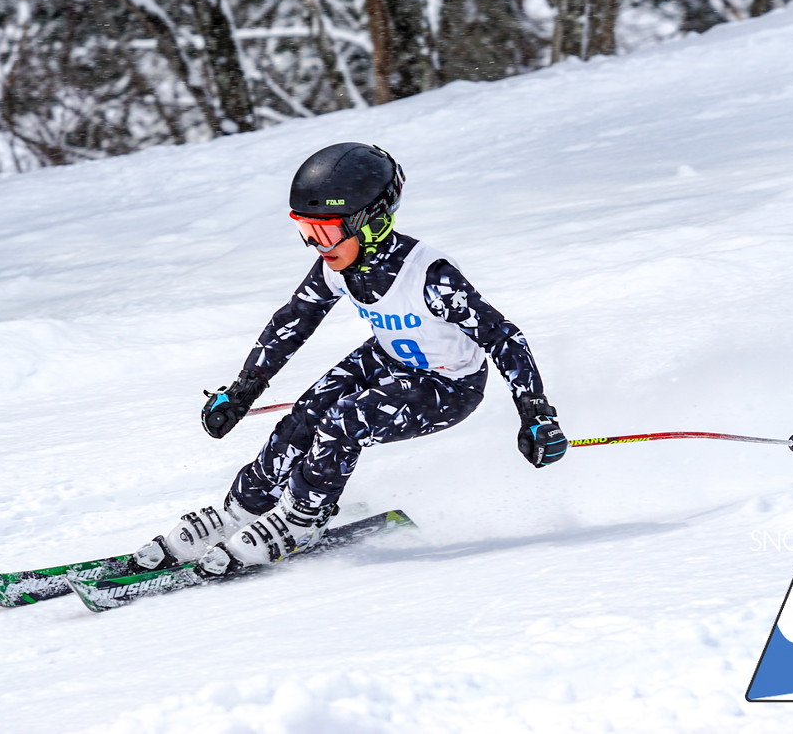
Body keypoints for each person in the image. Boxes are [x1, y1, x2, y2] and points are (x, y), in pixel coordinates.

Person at [127, 142, 568, 578]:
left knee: (345, 419)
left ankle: (304, 516)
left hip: (447, 386)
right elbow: (293, 321)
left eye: (325, 232)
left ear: (370, 223)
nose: (315, 245)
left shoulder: (429, 275)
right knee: (307, 413)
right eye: (306, 231)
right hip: (387, 358)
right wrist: (244, 389)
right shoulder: (337, 265)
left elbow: (502, 336)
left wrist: (535, 412)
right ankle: (245, 507)